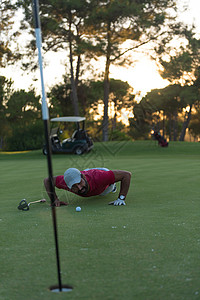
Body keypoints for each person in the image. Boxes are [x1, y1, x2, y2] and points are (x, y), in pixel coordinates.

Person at [44, 167, 131, 207]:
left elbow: (126, 175)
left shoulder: (100, 177)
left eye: (79, 183)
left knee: (104, 192)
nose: (79, 188)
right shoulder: (65, 182)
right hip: (87, 174)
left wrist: (121, 198)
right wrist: (54, 199)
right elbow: (47, 180)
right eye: (74, 187)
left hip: (102, 174)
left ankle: (112, 185)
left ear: (83, 177)